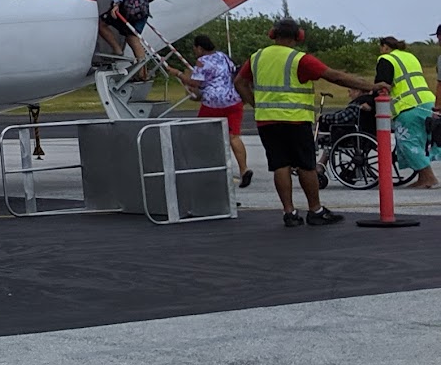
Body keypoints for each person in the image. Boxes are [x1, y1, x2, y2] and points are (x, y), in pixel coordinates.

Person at [235, 19, 374, 226]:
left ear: (273, 34)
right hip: (295, 120)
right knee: (306, 166)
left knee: (280, 165)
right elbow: (334, 76)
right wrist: (369, 85)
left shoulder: (257, 57)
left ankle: (289, 213)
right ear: (298, 36)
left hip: (267, 121)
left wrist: (257, 104)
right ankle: (315, 209)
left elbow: (239, 82)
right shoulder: (299, 59)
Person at [185, 33, 253, 188]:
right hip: (232, 99)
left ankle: (204, 166)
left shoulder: (202, 61)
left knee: (201, 132)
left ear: (200, 48)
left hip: (213, 102)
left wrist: (180, 75)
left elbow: (195, 83)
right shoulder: (223, 56)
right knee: (234, 137)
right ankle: (244, 169)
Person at [373, 35, 438, 190]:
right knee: (422, 142)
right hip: (428, 101)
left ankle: (429, 177)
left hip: (407, 106)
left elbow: (382, 84)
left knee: (408, 143)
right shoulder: (410, 57)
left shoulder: (386, 59)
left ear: (385, 47)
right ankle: (423, 177)